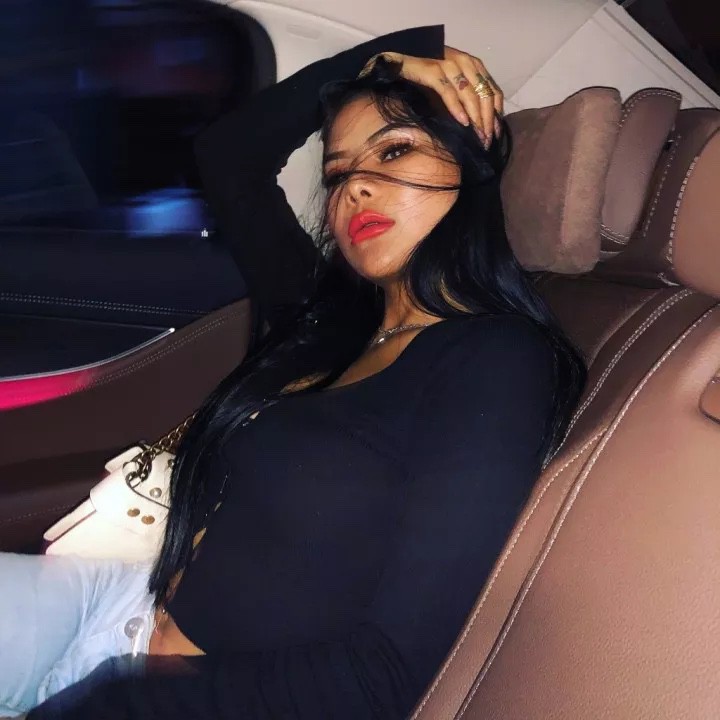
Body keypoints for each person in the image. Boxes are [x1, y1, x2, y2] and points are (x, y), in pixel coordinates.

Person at [0, 24, 585, 720]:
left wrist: (118, 700)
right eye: (337, 174)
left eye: (394, 150)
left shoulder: (496, 360)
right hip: (120, 603)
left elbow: (386, 673)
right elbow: (229, 155)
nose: (356, 187)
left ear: (471, 165)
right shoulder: (321, 312)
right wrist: (385, 57)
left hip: (195, 696)